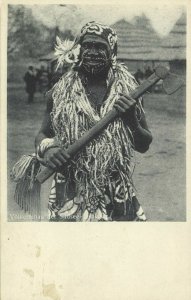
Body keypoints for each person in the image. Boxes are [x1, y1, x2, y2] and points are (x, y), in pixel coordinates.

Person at [35, 22, 153, 222]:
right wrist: (48, 149)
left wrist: (131, 120)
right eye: (87, 45)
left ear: (112, 51)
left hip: (115, 189)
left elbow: (144, 145)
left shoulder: (129, 92)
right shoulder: (59, 92)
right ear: (79, 50)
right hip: (71, 188)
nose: (92, 52)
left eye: (100, 47)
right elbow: (42, 134)